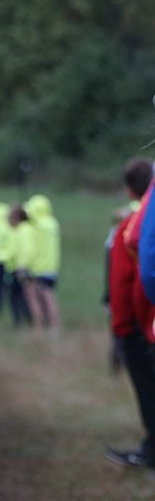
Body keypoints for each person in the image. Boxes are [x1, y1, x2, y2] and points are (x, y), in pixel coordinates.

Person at [106, 158, 155, 468]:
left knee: (149, 394)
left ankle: (151, 451)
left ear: (128, 189)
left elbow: (133, 280)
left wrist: (131, 324)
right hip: (140, 323)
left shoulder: (132, 226)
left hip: (137, 324)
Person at [24, 194, 62, 330]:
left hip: (37, 266)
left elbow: (30, 247)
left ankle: (38, 325)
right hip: (51, 267)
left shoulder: (35, 226)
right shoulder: (52, 224)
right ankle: (55, 324)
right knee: (50, 297)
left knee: (34, 298)